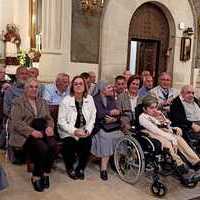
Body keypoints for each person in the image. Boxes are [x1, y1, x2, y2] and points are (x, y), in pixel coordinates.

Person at [9, 78, 57, 192]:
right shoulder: (18, 102)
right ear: (25, 89)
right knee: (42, 148)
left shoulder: (43, 102)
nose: (34, 89)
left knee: (53, 146)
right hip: (25, 134)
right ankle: (36, 176)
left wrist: (50, 127)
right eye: (31, 86)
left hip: (42, 131)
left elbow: (49, 119)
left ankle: (45, 173)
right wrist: (31, 132)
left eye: (36, 87)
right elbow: (16, 122)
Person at [139, 95, 200, 176]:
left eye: (155, 107)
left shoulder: (156, 115)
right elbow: (156, 130)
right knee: (168, 143)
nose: (154, 110)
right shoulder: (143, 117)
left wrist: (163, 119)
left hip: (160, 131)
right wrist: (171, 138)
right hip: (150, 133)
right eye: (151, 108)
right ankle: (180, 166)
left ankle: (196, 162)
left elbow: (166, 125)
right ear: (144, 109)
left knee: (179, 139)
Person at [58, 76, 96, 180]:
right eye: (76, 84)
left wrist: (87, 130)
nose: (78, 86)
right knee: (69, 143)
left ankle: (81, 168)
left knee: (87, 142)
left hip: (84, 129)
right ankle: (70, 167)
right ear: (72, 87)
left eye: (81, 84)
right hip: (68, 130)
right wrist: (74, 131)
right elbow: (61, 121)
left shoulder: (90, 98)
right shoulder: (66, 100)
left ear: (85, 86)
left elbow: (93, 116)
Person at [91, 81, 123, 181]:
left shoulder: (111, 98)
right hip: (98, 125)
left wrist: (115, 118)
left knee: (121, 136)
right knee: (107, 138)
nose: (112, 89)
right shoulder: (94, 99)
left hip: (111, 125)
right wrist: (110, 112)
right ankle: (104, 169)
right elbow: (98, 114)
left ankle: (115, 162)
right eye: (109, 87)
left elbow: (118, 112)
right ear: (102, 89)